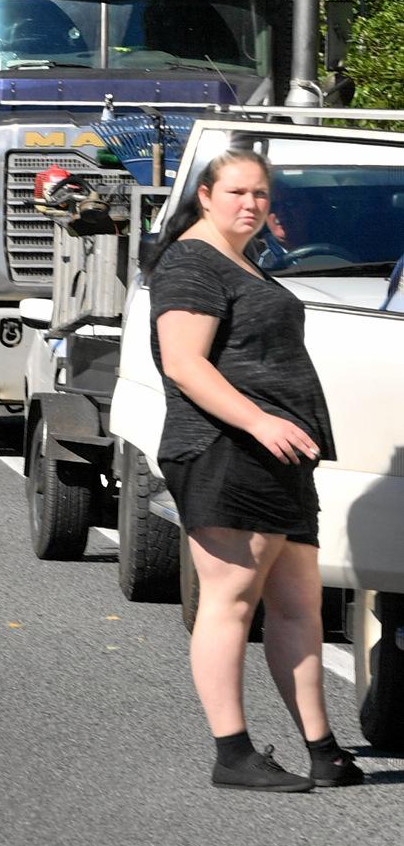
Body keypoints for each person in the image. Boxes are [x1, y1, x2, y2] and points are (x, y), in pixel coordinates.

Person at [148, 146, 358, 793]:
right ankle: (232, 752)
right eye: (238, 192)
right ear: (206, 195)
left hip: (280, 460)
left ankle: (323, 747)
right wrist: (260, 421)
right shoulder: (190, 261)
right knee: (230, 600)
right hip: (224, 451)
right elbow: (184, 362)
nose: (251, 204)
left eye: (261, 195)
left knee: (298, 606)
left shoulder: (246, 261)